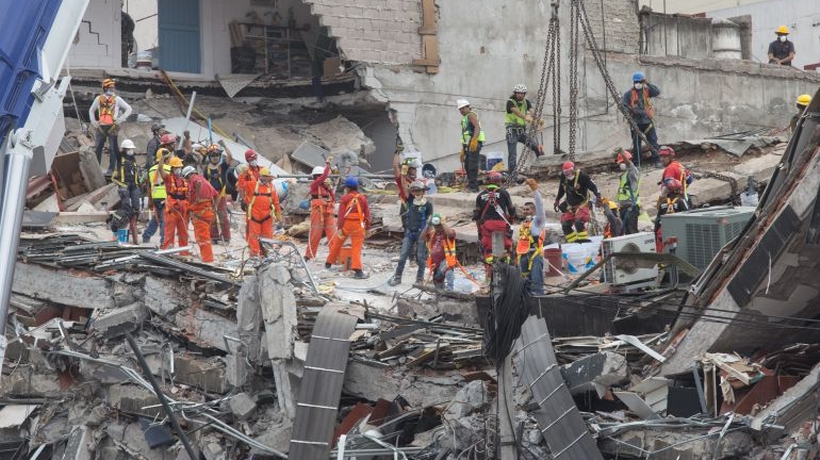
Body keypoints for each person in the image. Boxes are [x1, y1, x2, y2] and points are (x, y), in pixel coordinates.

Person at [389, 180, 434, 286]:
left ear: (423, 192)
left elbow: (430, 221)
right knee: (402, 256)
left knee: (421, 257)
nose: (417, 193)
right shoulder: (409, 202)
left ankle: (419, 279)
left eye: (419, 191)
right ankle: (397, 277)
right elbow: (402, 185)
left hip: (421, 234)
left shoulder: (428, 205)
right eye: (415, 191)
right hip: (409, 233)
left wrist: (427, 234)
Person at [325, 176, 371, 279]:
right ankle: (358, 271)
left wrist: (340, 228)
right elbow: (367, 215)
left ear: (347, 188)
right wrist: (367, 227)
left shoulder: (344, 198)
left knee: (337, 244)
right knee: (356, 248)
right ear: (357, 187)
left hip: (346, 225)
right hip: (359, 226)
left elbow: (341, 215)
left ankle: (328, 263)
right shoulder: (363, 198)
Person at [473, 171, 515, 279]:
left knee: (488, 253)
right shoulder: (504, 193)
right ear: (499, 181)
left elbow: (477, 216)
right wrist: (511, 224)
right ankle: (505, 275)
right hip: (501, 227)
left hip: (486, 229)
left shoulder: (480, 195)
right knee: (504, 251)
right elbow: (511, 211)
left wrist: (479, 233)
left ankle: (490, 277)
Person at [88, 78, 132, 175]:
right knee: (98, 148)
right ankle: (97, 168)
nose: (112, 89)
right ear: (105, 88)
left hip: (113, 126)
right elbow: (91, 110)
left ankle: (111, 169)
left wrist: (121, 119)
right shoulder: (98, 99)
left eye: (113, 87)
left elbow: (129, 109)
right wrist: (93, 122)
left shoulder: (117, 99)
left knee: (113, 148)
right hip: (101, 127)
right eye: (110, 87)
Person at [554, 161, 602, 243]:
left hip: (582, 204)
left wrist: (598, 197)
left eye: (569, 171)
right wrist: (557, 199)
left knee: (578, 222)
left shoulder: (582, 176)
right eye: (565, 172)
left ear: (574, 169)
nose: (568, 174)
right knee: (565, 225)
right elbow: (561, 189)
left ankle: (583, 241)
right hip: (570, 205)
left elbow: (594, 187)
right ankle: (573, 242)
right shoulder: (564, 177)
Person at [142, 134, 176, 244]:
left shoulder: (151, 169)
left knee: (156, 219)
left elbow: (149, 185)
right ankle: (163, 240)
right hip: (165, 196)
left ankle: (146, 235)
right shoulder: (168, 168)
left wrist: (151, 200)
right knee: (164, 219)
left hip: (155, 196)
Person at [622, 72, 661, 167]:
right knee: (636, 145)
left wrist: (647, 83)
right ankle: (637, 164)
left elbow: (656, 92)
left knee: (653, 142)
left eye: (640, 82)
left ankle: (657, 161)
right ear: (633, 82)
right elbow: (624, 107)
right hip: (635, 123)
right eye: (636, 82)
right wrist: (631, 111)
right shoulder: (628, 94)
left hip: (647, 122)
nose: (638, 83)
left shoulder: (647, 91)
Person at [516, 178, 547, 296]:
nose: (525, 212)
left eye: (528, 209)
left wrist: (535, 191)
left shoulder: (538, 221)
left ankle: (538, 297)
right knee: (524, 281)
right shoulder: (523, 224)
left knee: (536, 279)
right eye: (524, 210)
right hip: (523, 255)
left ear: (533, 211)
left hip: (535, 254)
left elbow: (540, 205)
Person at [504, 84, 544, 175]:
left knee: (536, 147)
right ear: (515, 93)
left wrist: (538, 119)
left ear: (524, 94)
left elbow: (532, 112)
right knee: (512, 155)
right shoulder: (510, 102)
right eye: (518, 93)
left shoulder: (526, 102)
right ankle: (512, 176)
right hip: (512, 131)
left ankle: (543, 167)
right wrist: (527, 118)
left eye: (522, 93)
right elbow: (517, 112)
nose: (520, 95)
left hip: (522, 131)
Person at [182, 166, 218, 263]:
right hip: (207, 212)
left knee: (202, 238)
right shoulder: (204, 180)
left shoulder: (196, 179)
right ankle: (207, 258)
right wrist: (215, 209)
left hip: (201, 214)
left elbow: (198, 183)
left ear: (190, 175)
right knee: (204, 237)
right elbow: (216, 194)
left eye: (186, 178)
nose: (187, 180)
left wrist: (197, 197)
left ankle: (207, 260)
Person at [245, 167, 282, 259]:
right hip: (255, 216)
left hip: (267, 217)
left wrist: (278, 216)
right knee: (254, 236)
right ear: (260, 176)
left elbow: (276, 203)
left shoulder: (272, 188)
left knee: (267, 236)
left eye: (267, 176)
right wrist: (243, 174)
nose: (265, 178)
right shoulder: (252, 185)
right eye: (264, 176)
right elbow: (241, 186)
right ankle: (254, 256)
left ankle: (266, 255)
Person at [110, 139, 141, 245]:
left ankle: (134, 226)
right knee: (127, 208)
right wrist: (114, 136)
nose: (131, 151)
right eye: (130, 149)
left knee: (136, 209)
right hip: (124, 186)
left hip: (134, 185)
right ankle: (117, 225)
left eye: (132, 149)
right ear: (124, 149)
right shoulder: (120, 158)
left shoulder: (133, 159)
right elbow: (114, 150)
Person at [305, 156, 336, 261]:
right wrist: (327, 165)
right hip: (318, 210)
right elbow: (323, 177)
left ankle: (334, 255)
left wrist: (330, 189)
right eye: (322, 176)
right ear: (317, 177)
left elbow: (334, 198)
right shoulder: (314, 185)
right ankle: (308, 255)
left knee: (332, 232)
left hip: (327, 210)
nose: (325, 179)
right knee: (315, 233)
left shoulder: (325, 187)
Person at [157, 155, 190, 254]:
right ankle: (167, 252)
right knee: (169, 232)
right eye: (177, 167)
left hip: (183, 209)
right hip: (172, 209)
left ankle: (184, 252)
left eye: (180, 167)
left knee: (184, 233)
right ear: (172, 168)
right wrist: (162, 159)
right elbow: (160, 169)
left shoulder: (184, 180)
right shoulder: (168, 178)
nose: (179, 169)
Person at [203, 143, 233, 244]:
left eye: (216, 155)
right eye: (212, 156)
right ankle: (214, 237)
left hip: (221, 194)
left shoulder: (223, 166)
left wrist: (224, 146)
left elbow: (230, 157)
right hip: (210, 194)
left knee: (222, 216)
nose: (215, 158)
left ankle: (226, 237)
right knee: (211, 216)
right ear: (209, 157)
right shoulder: (206, 168)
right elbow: (204, 182)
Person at [422, 213, 457, 291]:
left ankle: (450, 292)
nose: (437, 228)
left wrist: (443, 223)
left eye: (439, 226)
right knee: (437, 279)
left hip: (446, 260)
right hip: (435, 262)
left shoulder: (448, 233)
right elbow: (422, 237)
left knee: (448, 273)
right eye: (435, 226)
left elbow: (451, 235)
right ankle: (440, 294)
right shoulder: (432, 234)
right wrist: (428, 225)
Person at [654, 178, 690, 253]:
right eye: (680, 188)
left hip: (664, 231)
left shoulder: (663, 203)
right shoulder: (681, 201)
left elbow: (658, 220)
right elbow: (688, 215)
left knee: (664, 250)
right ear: (676, 190)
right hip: (678, 231)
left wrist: (655, 233)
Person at [457, 99, 485, 192]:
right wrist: (463, 149)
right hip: (468, 144)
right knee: (467, 164)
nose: (462, 110)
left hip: (474, 142)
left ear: (468, 107)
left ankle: (473, 186)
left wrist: (474, 140)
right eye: (460, 109)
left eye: (463, 108)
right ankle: (472, 185)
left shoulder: (471, 115)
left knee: (472, 164)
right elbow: (465, 135)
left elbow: (477, 126)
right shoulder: (465, 118)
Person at [614, 149, 641, 234]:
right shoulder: (624, 175)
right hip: (624, 208)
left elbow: (629, 165)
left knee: (632, 232)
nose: (621, 164)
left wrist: (622, 153)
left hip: (631, 207)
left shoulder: (633, 172)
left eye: (622, 162)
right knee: (626, 232)